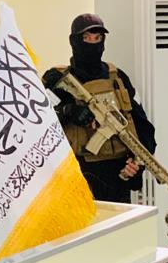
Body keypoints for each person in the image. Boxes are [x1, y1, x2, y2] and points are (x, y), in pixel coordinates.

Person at [42, 13, 156, 203]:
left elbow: (142, 126)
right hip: (77, 178)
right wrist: (68, 111)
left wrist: (137, 163)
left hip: (117, 179)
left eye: (98, 38)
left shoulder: (118, 78)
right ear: (74, 41)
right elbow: (38, 121)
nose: (92, 44)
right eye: (86, 38)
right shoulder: (57, 80)